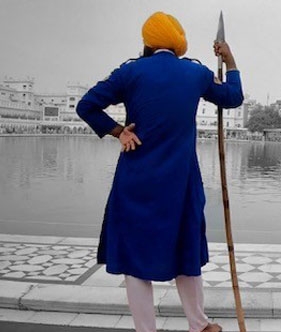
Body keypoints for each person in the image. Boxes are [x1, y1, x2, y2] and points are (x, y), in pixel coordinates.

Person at [76, 11, 243, 332]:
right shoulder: (195, 73)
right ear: (179, 43)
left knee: (136, 261)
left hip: (136, 179)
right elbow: (233, 98)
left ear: (148, 42)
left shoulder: (130, 72)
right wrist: (231, 62)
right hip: (181, 181)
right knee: (186, 249)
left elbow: (86, 105)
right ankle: (200, 325)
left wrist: (118, 132)